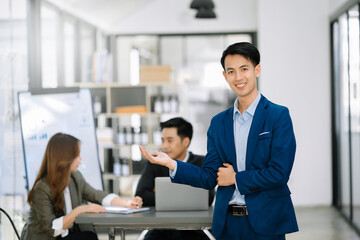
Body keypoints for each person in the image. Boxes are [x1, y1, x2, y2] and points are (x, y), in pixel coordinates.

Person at [139, 42, 298, 240]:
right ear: (225, 76)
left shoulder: (278, 116)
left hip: (266, 222)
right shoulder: (218, 123)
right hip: (229, 223)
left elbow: (279, 173)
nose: (238, 77)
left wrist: (235, 179)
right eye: (231, 71)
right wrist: (171, 163)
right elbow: (208, 176)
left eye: (244, 69)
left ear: (257, 70)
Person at [21, 133, 143, 240]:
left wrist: (126, 203)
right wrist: (80, 210)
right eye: (77, 155)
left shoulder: (74, 177)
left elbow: (97, 195)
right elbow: (52, 228)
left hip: (65, 235)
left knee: (89, 236)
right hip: (46, 238)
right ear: (65, 159)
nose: (80, 159)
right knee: (88, 237)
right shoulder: (42, 188)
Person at [136, 117, 215, 240]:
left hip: (193, 227)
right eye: (163, 141)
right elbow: (142, 195)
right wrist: (188, 195)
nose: (164, 146)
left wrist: (159, 194)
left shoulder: (201, 162)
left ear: (186, 142)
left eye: (170, 140)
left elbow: (207, 197)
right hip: (161, 227)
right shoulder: (154, 162)